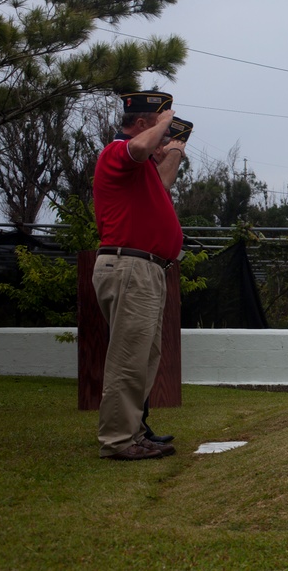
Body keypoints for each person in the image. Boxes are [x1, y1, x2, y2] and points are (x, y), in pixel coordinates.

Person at [92, 90, 186, 461]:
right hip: (130, 266)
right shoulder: (116, 150)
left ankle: (132, 431)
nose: (164, 136)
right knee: (128, 359)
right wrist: (162, 127)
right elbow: (136, 149)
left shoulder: (140, 168)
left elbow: (161, 184)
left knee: (143, 357)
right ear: (144, 123)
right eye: (161, 125)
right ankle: (118, 440)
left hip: (144, 269)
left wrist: (175, 149)